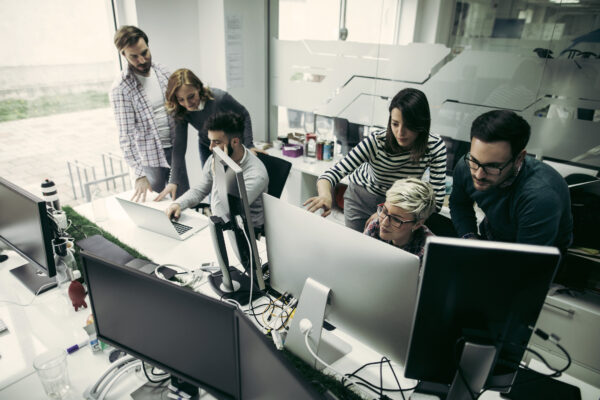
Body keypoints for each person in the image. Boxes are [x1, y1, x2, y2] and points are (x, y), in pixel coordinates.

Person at [304, 88, 447, 231]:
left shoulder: (435, 146)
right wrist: (325, 195)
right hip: (361, 201)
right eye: (395, 123)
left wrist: (386, 213)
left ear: (421, 124)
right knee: (359, 248)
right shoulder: (377, 141)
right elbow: (331, 174)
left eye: (408, 126)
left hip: (400, 209)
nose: (400, 132)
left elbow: (437, 202)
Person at [449, 110, 572, 252]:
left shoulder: (540, 196)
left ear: (519, 158)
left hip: (536, 259)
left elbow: (525, 262)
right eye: (475, 160)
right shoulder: (467, 165)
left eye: (493, 166)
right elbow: (459, 204)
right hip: (492, 239)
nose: (478, 174)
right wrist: (469, 238)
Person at [109, 25, 189, 202]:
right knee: (161, 210)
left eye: (144, 52)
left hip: (175, 153)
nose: (142, 60)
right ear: (123, 55)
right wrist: (139, 175)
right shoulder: (121, 89)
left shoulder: (163, 72)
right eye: (134, 57)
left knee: (184, 204)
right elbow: (126, 136)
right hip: (151, 162)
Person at [157, 68, 262, 201]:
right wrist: (173, 181)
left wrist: (249, 144)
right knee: (213, 185)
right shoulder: (180, 111)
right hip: (207, 145)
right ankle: (217, 216)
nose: (188, 104)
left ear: (198, 88)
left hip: (231, 144)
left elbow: (244, 114)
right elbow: (179, 148)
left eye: (191, 96)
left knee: (234, 185)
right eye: (181, 99)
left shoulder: (220, 98)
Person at [165, 112, 269, 228]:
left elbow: (221, 214)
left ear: (235, 142)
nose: (210, 147)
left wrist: (218, 174)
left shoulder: (256, 174)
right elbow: (201, 189)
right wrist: (178, 204)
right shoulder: (217, 157)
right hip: (224, 222)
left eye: (217, 142)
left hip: (245, 231)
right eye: (210, 141)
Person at [364, 178, 436, 262]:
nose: (384, 223)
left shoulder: (430, 250)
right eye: (384, 211)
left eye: (396, 219)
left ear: (417, 224)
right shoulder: (375, 227)